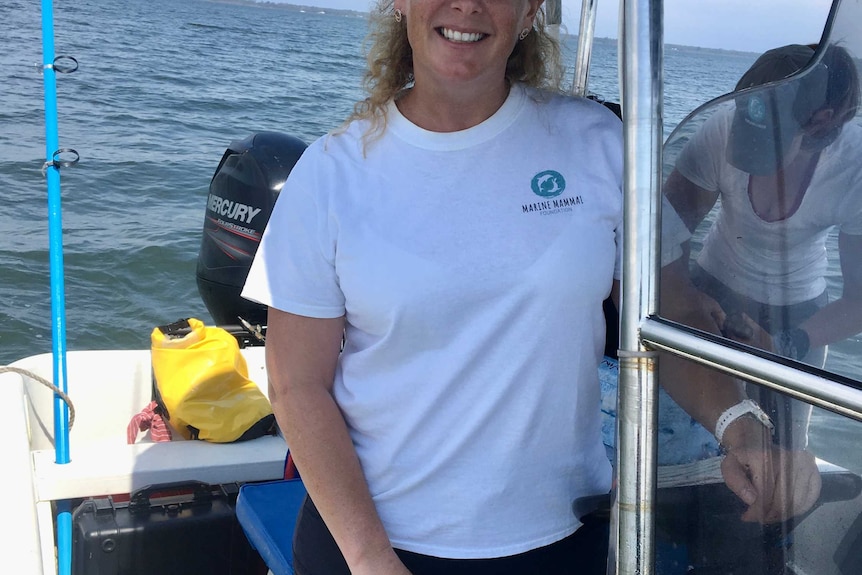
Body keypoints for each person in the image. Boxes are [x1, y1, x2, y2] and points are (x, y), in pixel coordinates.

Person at [241, 3, 821, 573]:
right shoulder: (330, 172)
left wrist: (744, 427)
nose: (467, 6)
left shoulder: (598, 143)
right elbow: (296, 384)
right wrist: (370, 558)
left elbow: (670, 315)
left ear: (528, 13)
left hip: (561, 537)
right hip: (367, 545)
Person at [662, 43, 862, 451]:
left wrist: (787, 344)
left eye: (766, 138)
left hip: (801, 313)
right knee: (682, 434)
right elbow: (668, 232)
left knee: (784, 454)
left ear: (819, 123)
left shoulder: (855, 166)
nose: (744, 143)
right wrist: (690, 298)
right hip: (709, 285)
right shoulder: (723, 126)